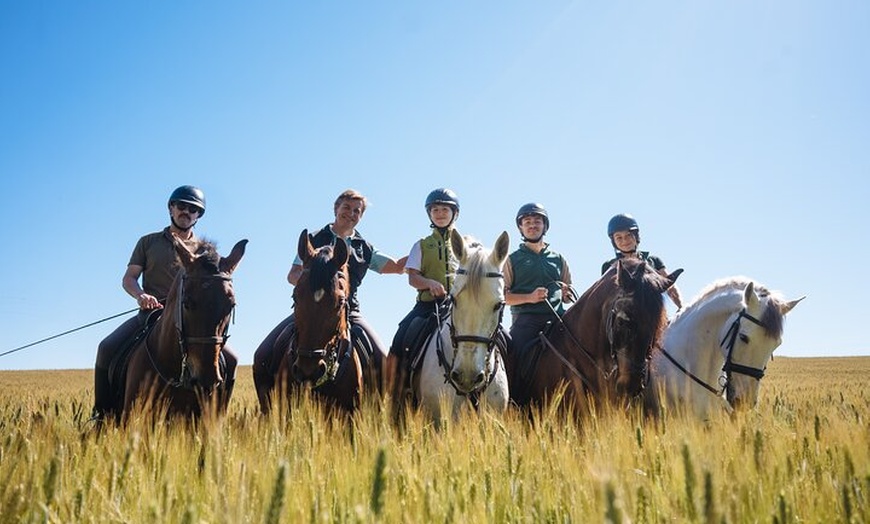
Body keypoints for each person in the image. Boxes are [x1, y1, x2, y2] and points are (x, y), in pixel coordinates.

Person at [91, 185, 238, 420]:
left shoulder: (205, 252)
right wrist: (141, 295)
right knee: (106, 348)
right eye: (182, 206)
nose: (186, 212)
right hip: (151, 313)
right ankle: (102, 416)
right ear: (171, 208)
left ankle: (217, 420)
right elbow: (129, 278)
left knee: (231, 359)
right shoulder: (148, 242)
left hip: (191, 318)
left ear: (198, 216)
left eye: (193, 209)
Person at [252, 189, 406, 401]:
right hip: (309, 310)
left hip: (348, 311)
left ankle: (375, 411)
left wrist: (420, 254)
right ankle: (267, 410)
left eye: (357, 211)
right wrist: (317, 289)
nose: (351, 213)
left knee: (381, 359)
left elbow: (397, 266)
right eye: (346, 208)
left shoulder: (364, 249)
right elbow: (293, 274)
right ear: (336, 208)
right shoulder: (313, 238)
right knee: (263, 354)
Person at [387, 188, 461, 385]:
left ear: (455, 213)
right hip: (428, 307)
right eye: (435, 210)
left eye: (445, 209)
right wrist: (429, 283)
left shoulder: (467, 245)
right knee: (402, 334)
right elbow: (413, 278)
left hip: (459, 308)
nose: (440, 214)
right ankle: (395, 389)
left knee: (501, 338)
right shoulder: (421, 245)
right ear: (429, 214)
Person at [504, 203, 575, 357]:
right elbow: (504, 297)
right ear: (521, 228)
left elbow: (568, 298)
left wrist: (566, 293)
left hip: (558, 320)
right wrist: (530, 297)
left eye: (537, 221)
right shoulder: (511, 260)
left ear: (544, 226)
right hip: (526, 321)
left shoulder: (558, 259)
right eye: (527, 222)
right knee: (515, 357)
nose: (532, 226)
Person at [601, 213, 683, 309]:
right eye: (619, 237)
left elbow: (670, 288)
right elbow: (605, 298)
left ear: (636, 236)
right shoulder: (609, 266)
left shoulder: (653, 261)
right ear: (614, 241)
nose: (624, 240)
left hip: (654, 314)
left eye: (628, 235)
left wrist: (681, 307)